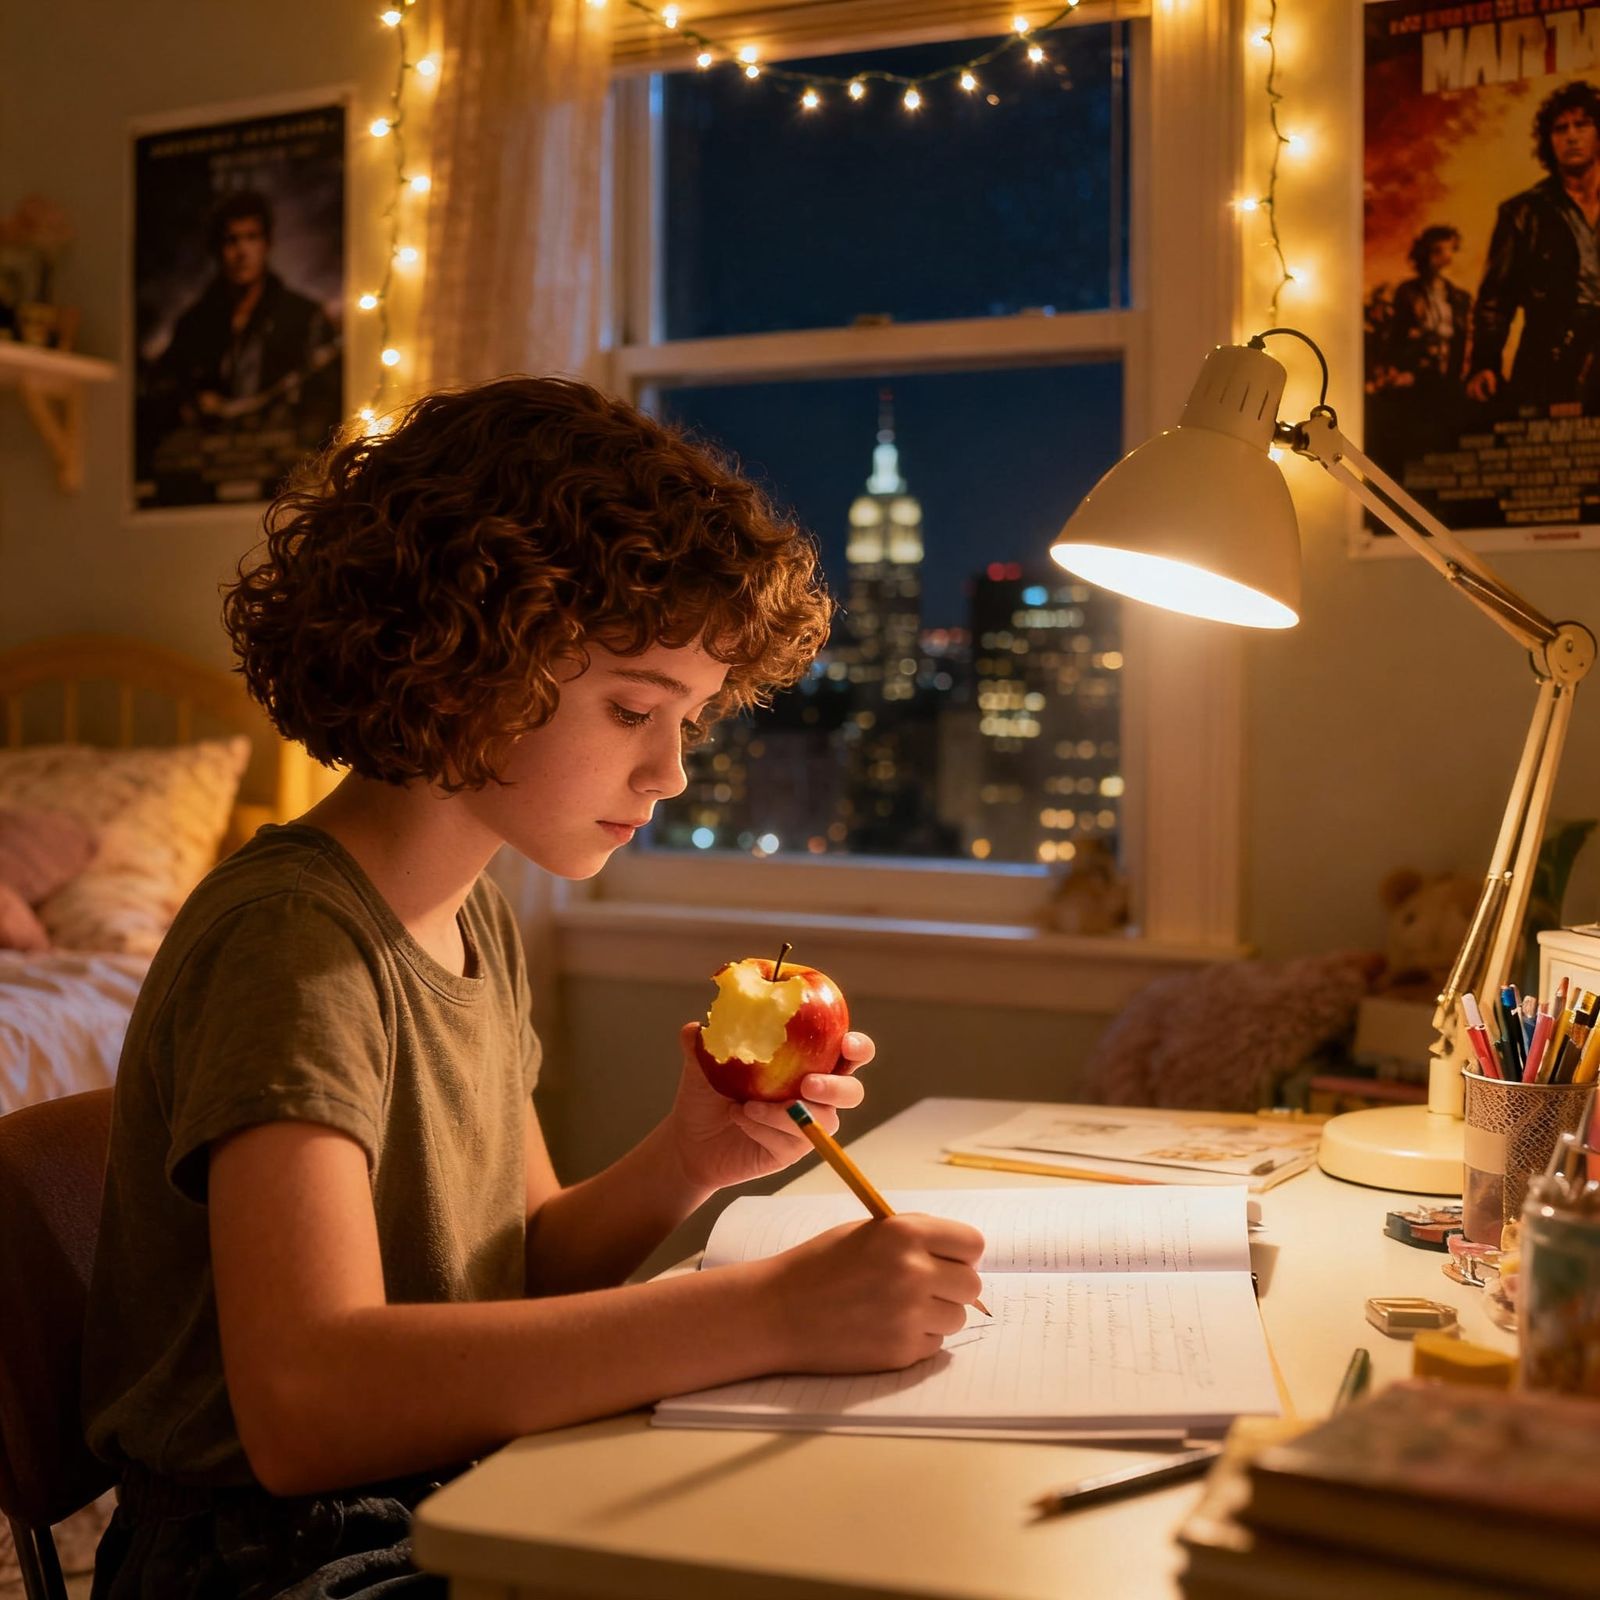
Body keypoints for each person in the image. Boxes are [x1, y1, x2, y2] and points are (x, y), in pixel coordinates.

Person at [81, 376, 986, 1599]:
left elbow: (519, 1272)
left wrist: (687, 1158)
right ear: (464, 658)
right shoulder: (295, 942)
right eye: (631, 709)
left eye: (693, 722)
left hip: (434, 1485)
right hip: (272, 1555)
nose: (668, 771)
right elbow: (305, 1402)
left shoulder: (474, 917)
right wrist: (768, 1313)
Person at [150, 188, 339, 430]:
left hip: (287, 453)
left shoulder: (304, 316)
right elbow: (165, 392)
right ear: (217, 249)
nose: (242, 252)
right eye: (231, 240)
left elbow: (325, 404)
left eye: (252, 237)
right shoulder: (194, 324)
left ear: (267, 244)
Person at [1467, 80, 1600, 410]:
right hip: (1549, 354)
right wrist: (1485, 363)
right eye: (1560, 128)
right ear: (1549, 140)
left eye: (1581, 125)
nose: (1571, 136)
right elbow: (1495, 300)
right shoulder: (1523, 212)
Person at [1387, 225, 1471, 391]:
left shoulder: (1461, 297)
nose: (1446, 257)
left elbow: (1465, 338)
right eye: (1437, 251)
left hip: (1451, 373)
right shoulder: (1407, 292)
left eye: (1450, 250)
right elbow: (1396, 336)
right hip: (1417, 372)